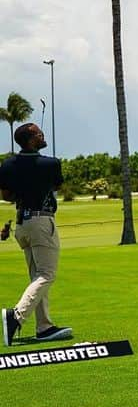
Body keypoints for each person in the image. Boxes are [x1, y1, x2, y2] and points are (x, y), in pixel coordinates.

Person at [0, 122, 72, 345]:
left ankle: (44, 327)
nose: (42, 136)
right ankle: (16, 316)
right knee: (47, 275)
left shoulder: (8, 164)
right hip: (42, 222)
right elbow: (57, 186)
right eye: (39, 134)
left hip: (22, 223)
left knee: (37, 276)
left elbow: (6, 196)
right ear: (32, 140)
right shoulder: (51, 163)